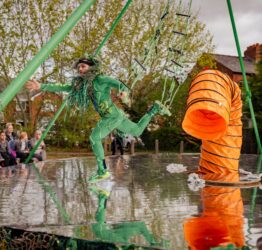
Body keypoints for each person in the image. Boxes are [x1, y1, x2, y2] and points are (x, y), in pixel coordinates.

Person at [25, 56, 171, 182]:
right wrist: (41, 86)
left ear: (91, 67)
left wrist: (124, 94)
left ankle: (102, 171)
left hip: (112, 116)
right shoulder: (82, 85)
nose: (80, 69)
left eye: (83, 66)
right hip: (115, 115)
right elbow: (63, 87)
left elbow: (122, 86)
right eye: (79, 67)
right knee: (138, 131)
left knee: (94, 138)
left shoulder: (101, 79)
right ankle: (154, 110)